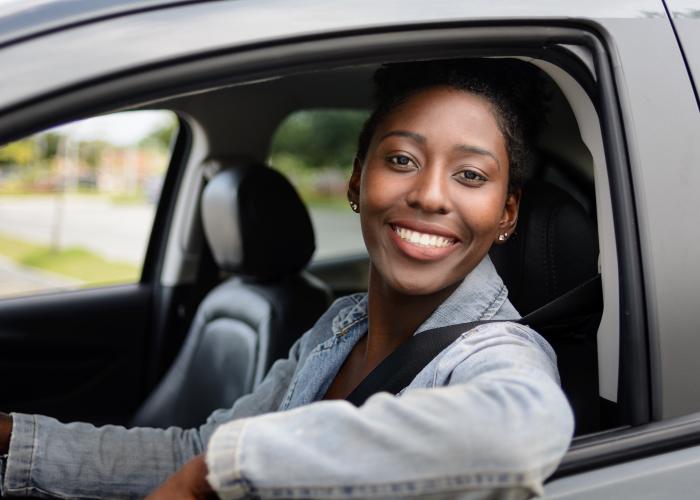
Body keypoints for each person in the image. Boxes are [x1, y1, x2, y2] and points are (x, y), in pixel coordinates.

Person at [0, 59, 573, 499]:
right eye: (401, 159)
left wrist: (225, 470)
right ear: (356, 181)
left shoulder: (497, 350)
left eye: (471, 175)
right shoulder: (340, 328)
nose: (428, 194)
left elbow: (520, 431)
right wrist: (14, 441)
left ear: (507, 213)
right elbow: (196, 448)